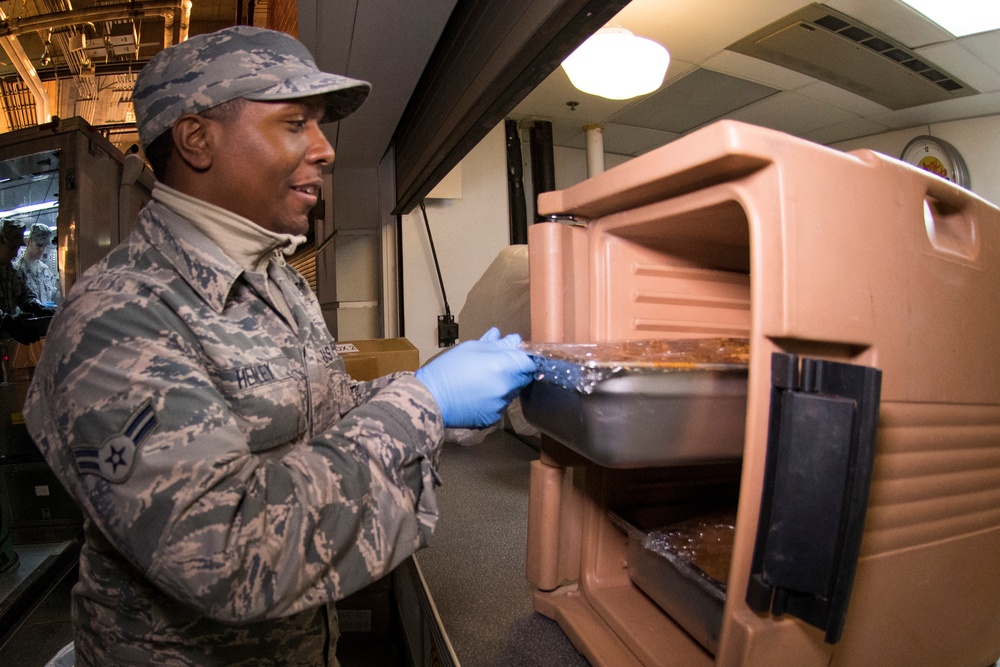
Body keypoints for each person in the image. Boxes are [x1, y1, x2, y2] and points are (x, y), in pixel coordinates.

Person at [24, 25, 536, 667]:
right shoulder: (117, 316)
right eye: (296, 123)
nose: (323, 149)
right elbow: (221, 552)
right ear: (197, 139)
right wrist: (424, 405)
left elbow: (321, 412)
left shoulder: (276, 279)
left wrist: (436, 389)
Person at [0, 219, 51, 345]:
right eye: (12, 247)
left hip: (6, 342)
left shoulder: (15, 272)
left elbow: (25, 295)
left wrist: (37, 307)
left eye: (18, 247)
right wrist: (6, 321)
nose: (15, 252)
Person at [14, 222, 61, 306]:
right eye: (39, 245)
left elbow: (53, 294)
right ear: (28, 241)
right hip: (27, 318)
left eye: (44, 246)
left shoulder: (45, 270)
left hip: (46, 317)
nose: (42, 250)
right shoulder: (17, 270)